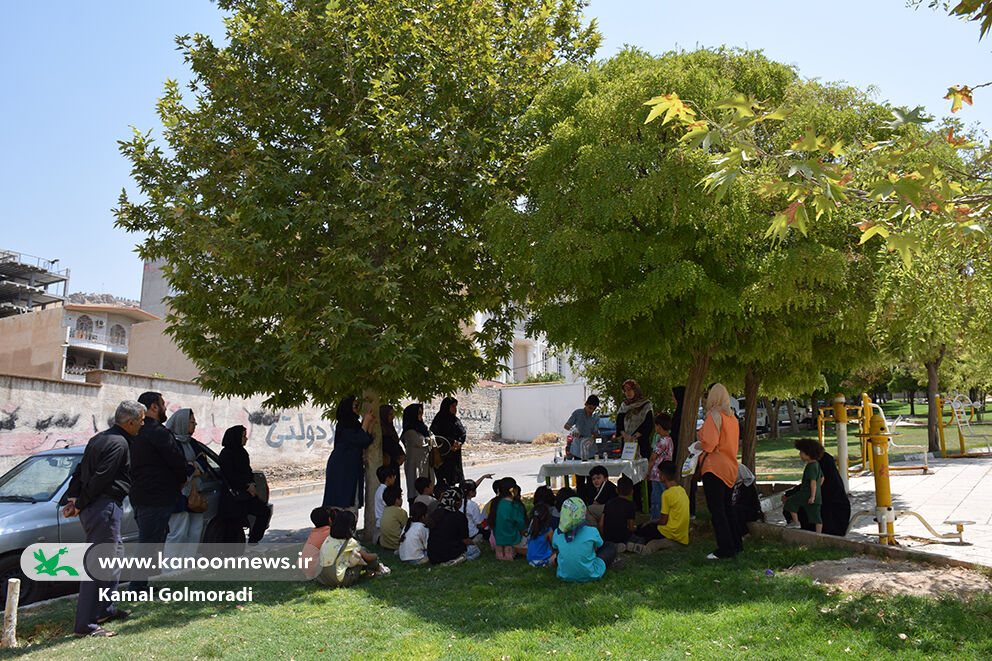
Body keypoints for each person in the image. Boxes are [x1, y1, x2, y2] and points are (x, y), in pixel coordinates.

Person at [63, 399, 145, 637]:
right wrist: (77, 502)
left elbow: (79, 472)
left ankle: (105, 608)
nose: (141, 425)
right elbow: (100, 478)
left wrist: (73, 499)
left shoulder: (100, 438)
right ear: (130, 422)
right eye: (140, 421)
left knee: (115, 557)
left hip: (101, 506)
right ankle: (86, 626)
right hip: (103, 507)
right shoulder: (119, 443)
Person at [130, 391, 187, 591]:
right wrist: (182, 479)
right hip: (156, 497)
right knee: (148, 544)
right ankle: (137, 587)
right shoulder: (158, 432)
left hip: (140, 495)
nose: (165, 409)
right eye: (163, 404)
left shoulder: (135, 432)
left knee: (150, 543)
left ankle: (141, 584)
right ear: (154, 406)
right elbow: (176, 461)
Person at [698, 383, 743, 560]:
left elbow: (710, 443)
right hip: (730, 466)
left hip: (714, 467)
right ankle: (736, 544)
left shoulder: (714, 415)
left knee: (717, 510)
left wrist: (698, 444)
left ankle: (725, 549)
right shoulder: (733, 418)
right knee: (727, 508)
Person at [218, 425, 272, 543]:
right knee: (233, 527)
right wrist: (247, 486)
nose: (245, 439)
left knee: (264, 511)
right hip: (233, 497)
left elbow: (248, 472)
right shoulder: (226, 454)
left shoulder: (242, 452)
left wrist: (251, 484)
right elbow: (229, 476)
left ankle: (254, 540)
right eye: (243, 436)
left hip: (245, 495)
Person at [551, 497, 622, 582]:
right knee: (610, 546)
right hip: (590, 574)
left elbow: (555, 548)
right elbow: (599, 546)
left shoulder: (557, 532)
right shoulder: (592, 531)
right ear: (583, 512)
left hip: (564, 575)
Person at [323, 396, 375, 509]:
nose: (357, 409)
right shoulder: (344, 425)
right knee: (341, 501)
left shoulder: (355, 425)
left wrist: (370, 423)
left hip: (353, 466)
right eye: (355, 406)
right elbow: (359, 439)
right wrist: (365, 421)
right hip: (342, 466)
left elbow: (365, 441)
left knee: (353, 499)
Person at [781, 450, 850, 536]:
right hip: (839, 524)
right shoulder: (833, 479)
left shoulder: (824, 480)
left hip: (831, 524)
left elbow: (808, 488)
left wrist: (789, 495)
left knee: (792, 506)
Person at [164, 408, 206, 549]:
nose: (195, 424)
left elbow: (203, 464)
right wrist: (192, 467)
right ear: (182, 422)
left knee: (194, 532)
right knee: (178, 534)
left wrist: (193, 466)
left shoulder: (192, 443)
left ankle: (188, 566)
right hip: (179, 494)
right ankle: (172, 570)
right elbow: (178, 467)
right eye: (192, 421)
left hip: (195, 492)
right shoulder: (170, 443)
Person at [316, 510, 389, 587]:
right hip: (339, 581)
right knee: (361, 553)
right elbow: (368, 557)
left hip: (323, 578)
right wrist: (376, 555)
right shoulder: (350, 542)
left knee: (355, 552)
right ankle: (379, 568)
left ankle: (375, 568)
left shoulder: (328, 538)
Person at [631, 461, 690, 552]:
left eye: (658, 473)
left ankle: (634, 543)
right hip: (681, 532)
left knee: (642, 529)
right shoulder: (682, 490)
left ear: (663, 476)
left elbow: (663, 521)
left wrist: (649, 523)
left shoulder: (666, 494)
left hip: (670, 532)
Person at [427, 487, 480, 565]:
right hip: (451, 553)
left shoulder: (435, 513)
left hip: (433, 555)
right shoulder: (460, 517)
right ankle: (458, 560)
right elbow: (465, 540)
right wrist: (473, 543)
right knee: (475, 550)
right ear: (458, 503)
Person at [784, 438, 825, 532]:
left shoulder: (810, 466)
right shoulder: (817, 464)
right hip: (817, 496)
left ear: (808, 453)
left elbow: (813, 481)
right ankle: (819, 534)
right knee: (816, 516)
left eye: (801, 452)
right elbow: (822, 478)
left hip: (806, 494)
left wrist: (812, 496)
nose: (800, 454)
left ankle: (795, 522)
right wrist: (817, 491)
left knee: (790, 502)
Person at [429, 397, 467, 491]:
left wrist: (459, 443)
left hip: (454, 454)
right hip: (442, 454)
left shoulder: (455, 420)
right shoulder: (438, 420)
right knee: (442, 480)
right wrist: (451, 442)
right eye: (452, 406)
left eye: (455, 406)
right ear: (446, 407)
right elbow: (435, 435)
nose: (455, 409)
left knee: (452, 480)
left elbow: (462, 433)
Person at [563, 395, 600, 488]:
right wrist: (573, 430)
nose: (591, 411)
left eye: (594, 409)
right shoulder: (577, 413)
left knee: (592, 480)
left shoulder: (595, 417)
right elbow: (566, 425)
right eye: (590, 408)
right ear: (586, 404)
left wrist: (592, 438)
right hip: (578, 450)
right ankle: (581, 499)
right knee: (580, 480)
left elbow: (595, 432)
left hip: (590, 450)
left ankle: (591, 501)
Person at [400, 403, 433, 505]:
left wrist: (429, 439)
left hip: (424, 463)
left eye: (421, 413)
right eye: (418, 413)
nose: (421, 415)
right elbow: (421, 442)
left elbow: (432, 438)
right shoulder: (409, 431)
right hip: (414, 464)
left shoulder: (422, 427)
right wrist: (429, 440)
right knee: (415, 490)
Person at [489, 477, 527, 561]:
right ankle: (513, 551)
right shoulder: (515, 505)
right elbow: (521, 525)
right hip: (513, 539)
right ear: (513, 490)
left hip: (498, 539)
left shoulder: (495, 503)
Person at [617, 380, 654, 460]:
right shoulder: (624, 406)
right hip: (627, 444)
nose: (627, 393)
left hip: (641, 443)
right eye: (625, 391)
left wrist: (633, 437)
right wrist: (625, 436)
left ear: (635, 390)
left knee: (642, 468)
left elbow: (648, 424)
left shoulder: (646, 405)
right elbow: (619, 423)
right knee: (626, 469)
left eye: (629, 390)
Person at [647, 413, 674, 520]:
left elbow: (653, 457)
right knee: (663, 498)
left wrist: (648, 471)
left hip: (657, 474)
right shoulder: (669, 439)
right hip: (665, 473)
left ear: (659, 426)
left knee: (656, 499)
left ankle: (655, 520)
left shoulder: (661, 441)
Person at [599, 476, 636, 548]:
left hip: (608, 537)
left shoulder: (609, 502)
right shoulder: (631, 505)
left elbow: (601, 524)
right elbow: (631, 527)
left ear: (616, 490)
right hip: (623, 537)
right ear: (632, 492)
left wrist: (603, 537)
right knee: (640, 538)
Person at [302, 507, 334, 580]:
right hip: (315, 569)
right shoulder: (329, 532)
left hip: (304, 567)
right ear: (330, 519)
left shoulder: (314, 532)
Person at [460, 475, 493, 544]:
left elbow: (472, 486)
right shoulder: (473, 505)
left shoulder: (457, 502)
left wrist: (483, 477)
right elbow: (479, 525)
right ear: (471, 492)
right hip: (472, 535)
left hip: (460, 535)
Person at [379, 404, 406, 479]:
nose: (392, 417)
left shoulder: (390, 428)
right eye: (390, 414)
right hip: (387, 466)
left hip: (395, 464)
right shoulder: (381, 431)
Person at [379, 485, 408, 551]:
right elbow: (407, 527)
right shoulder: (400, 512)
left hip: (385, 544)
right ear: (397, 500)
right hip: (397, 545)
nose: (402, 499)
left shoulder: (385, 510)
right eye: (400, 497)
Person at [526, 503, 555, 567]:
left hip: (530, 560)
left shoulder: (530, 528)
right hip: (543, 561)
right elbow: (554, 547)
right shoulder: (548, 530)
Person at [373, 465, 396, 543]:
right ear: (388, 479)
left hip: (380, 523)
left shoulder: (379, 490)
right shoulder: (385, 492)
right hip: (384, 525)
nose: (394, 479)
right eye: (393, 477)